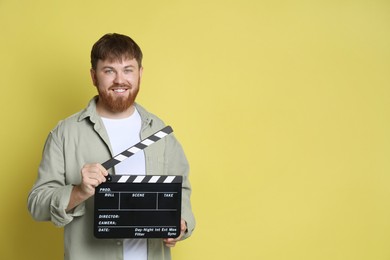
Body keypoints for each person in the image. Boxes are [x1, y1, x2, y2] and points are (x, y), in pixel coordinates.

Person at [27, 33, 195, 260]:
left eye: (128, 69)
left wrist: (181, 224)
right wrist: (78, 192)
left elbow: (181, 190)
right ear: (94, 76)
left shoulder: (159, 132)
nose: (119, 80)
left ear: (140, 74)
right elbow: (37, 204)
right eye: (109, 70)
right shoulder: (64, 134)